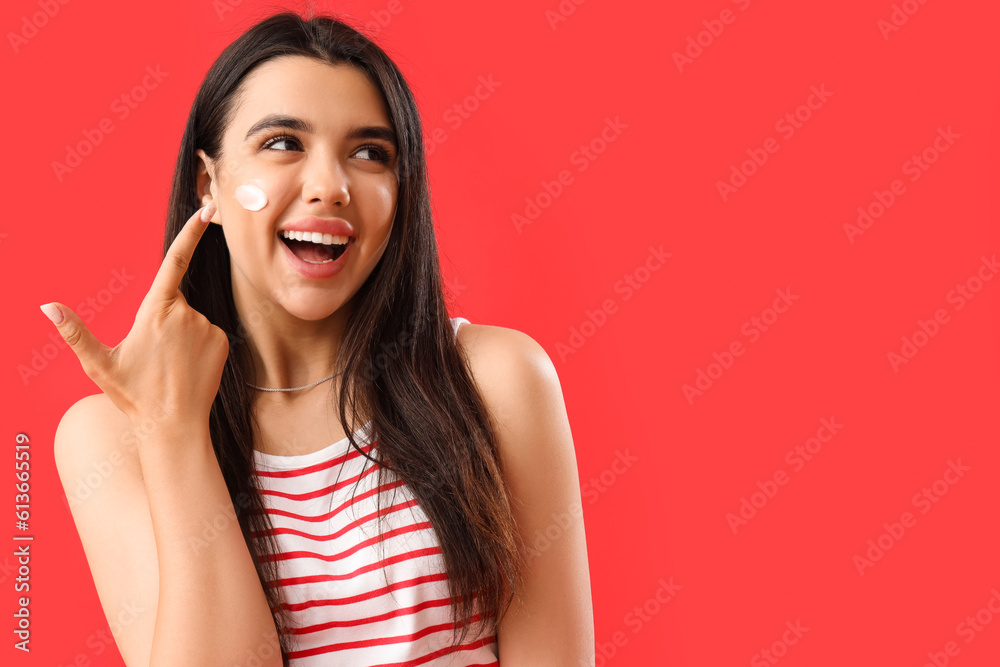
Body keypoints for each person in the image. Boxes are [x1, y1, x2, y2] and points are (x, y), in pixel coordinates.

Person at [44, 10, 593, 667]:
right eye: (283, 142)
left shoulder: (496, 379)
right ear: (207, 181)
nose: (331, 186)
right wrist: (174, 428)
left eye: (370, 153)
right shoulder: (111, 436)